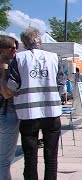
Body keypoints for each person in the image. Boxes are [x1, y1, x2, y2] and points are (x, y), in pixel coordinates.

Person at [6, 27, 66, 180]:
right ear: (40, 41)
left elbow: (12, 86)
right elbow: (61, 85)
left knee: (30, 156)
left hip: (28, 113)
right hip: (51, 112)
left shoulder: (19, 59)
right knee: (51, 155)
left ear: (24, 43)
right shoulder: (54, 57)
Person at [0, 35, 20, 180]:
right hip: (6, 112)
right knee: (4, 160)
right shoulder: (5, 67)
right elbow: (7, 94)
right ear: (2, 50)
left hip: (8, 112)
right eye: (12, 48)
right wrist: (4, 72)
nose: (15, 50)